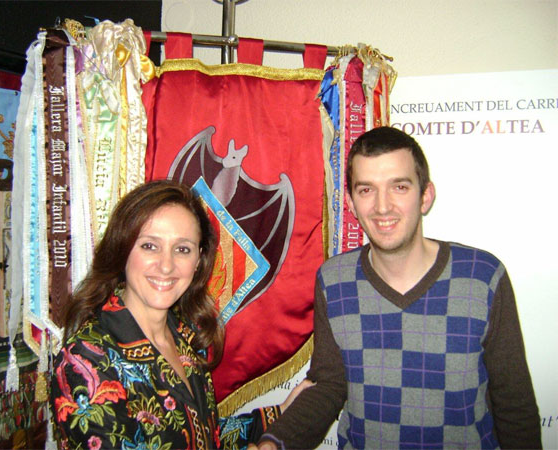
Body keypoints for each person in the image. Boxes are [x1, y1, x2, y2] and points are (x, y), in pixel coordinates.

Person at [257, 127, 541, 449]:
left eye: (399, 187)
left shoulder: (482, 276)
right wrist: (274, 443)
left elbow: (513, 404)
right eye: (367, 190)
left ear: (425, 196)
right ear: (351, 203)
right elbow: (329, 386)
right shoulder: (334, 281)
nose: (383, 206)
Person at [50, 180, 310, 450]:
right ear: (122, 249)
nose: (166, 266)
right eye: (150, 246)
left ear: (198, 260)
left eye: (182, 249)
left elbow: (200, 435)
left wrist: (279, 414)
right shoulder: (83, 361)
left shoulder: (185, 334)